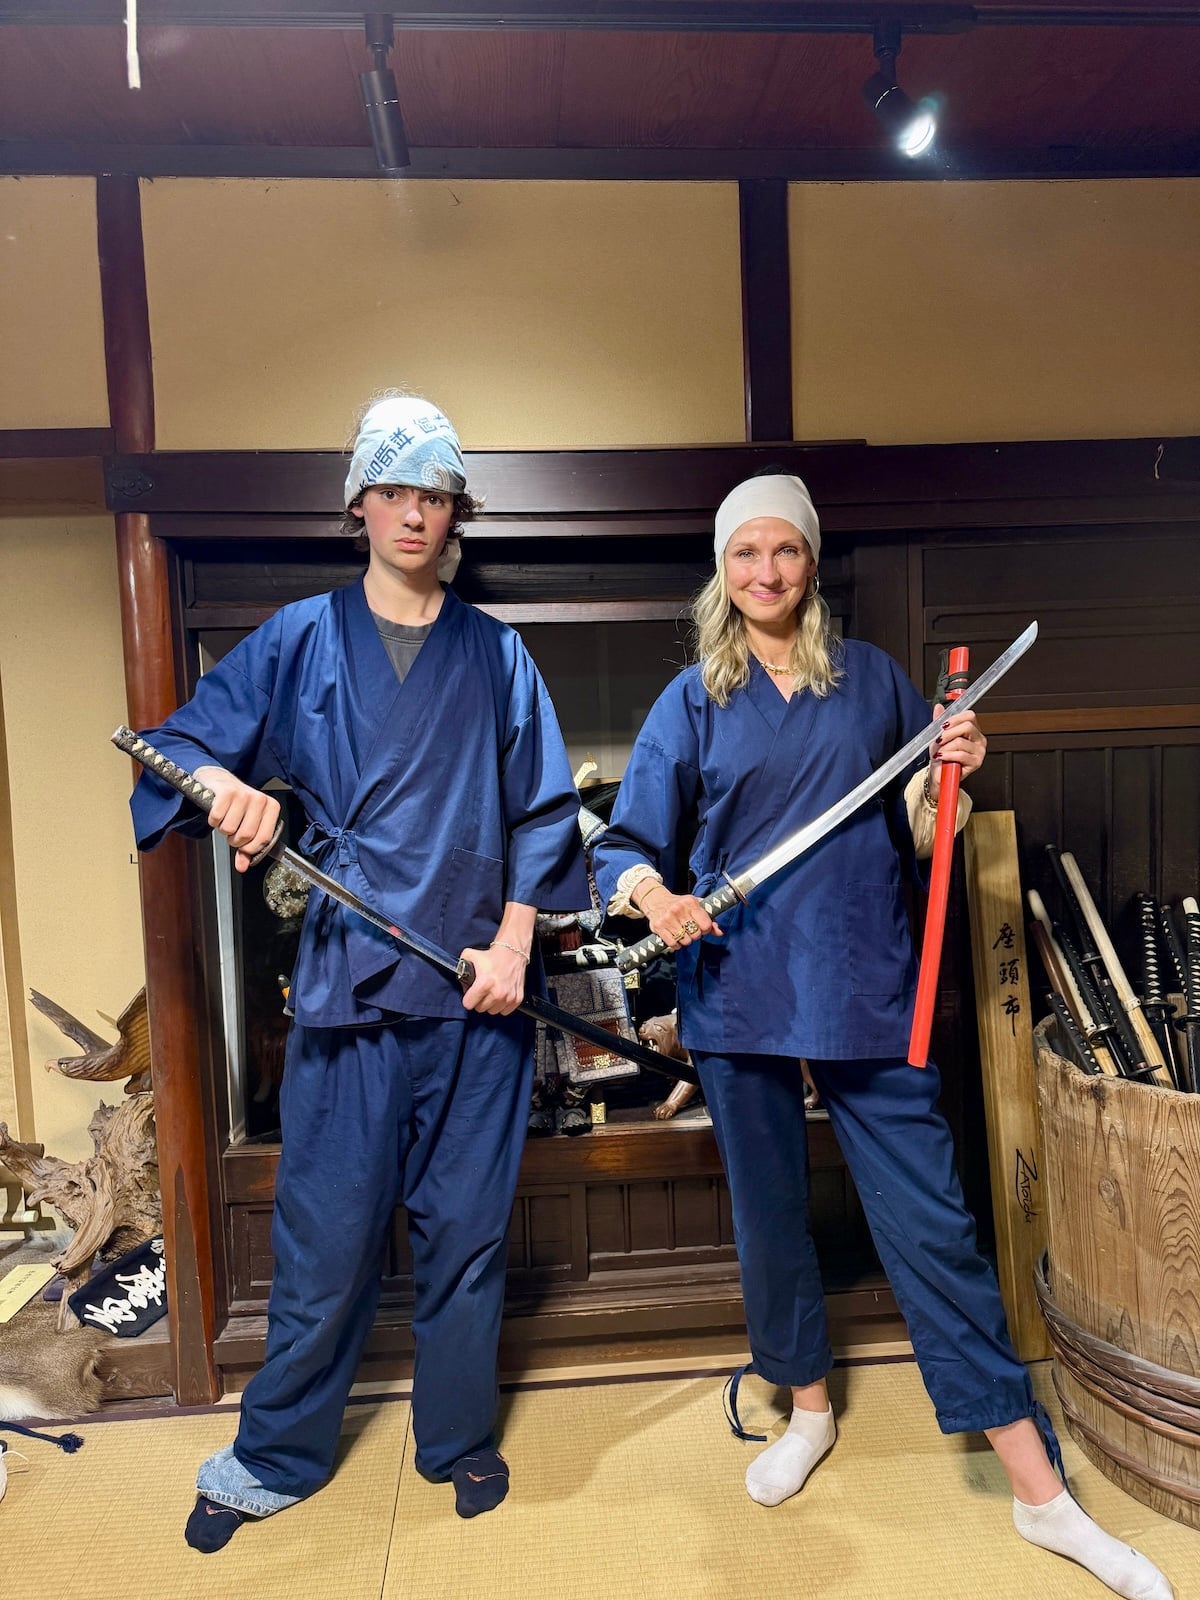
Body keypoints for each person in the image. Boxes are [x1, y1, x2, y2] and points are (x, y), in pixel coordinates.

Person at [592, 472, 1172, 1600]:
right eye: (746, 554)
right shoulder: (689, 701)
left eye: (786, 553)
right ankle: (806, 1407)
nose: (766, 572)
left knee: (937, 1229)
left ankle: (1036, 1489)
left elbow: (925, 828)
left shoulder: (875, 685)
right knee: (770, 1224)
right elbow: (623, 846)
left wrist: (954, 774)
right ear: (724, 570)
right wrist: (657, 898)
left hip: (864, 981)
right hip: (738, 991)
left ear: (811, 563)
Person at [130, 394, 590, 1549]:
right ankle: (278, 1452)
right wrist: (228, 789)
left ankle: (457, 1435)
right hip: (346, 991)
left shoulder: (498, 654)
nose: (415, 515)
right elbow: (179, 746)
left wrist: (521, 941)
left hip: (476, 990)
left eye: (434, 495)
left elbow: (543, 812)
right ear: (361, 506)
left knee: (467, 1232)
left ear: (455, 514)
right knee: (326, 1236)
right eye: (395, 492)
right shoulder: (295, 637)